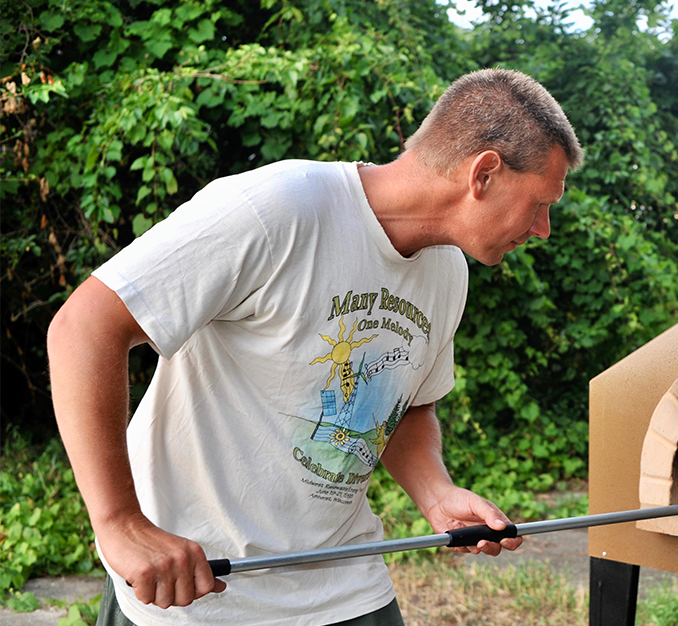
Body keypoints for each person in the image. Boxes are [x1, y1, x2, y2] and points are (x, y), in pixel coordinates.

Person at [47, 68, 583, 626]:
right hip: (198, 594)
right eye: (541, 203)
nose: (543, 229)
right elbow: (84, 328)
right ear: (486, 173)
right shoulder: (278, 208)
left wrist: (436, 492)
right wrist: (119, 523)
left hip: (346, 586)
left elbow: (405, 403)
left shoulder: (448, 270)